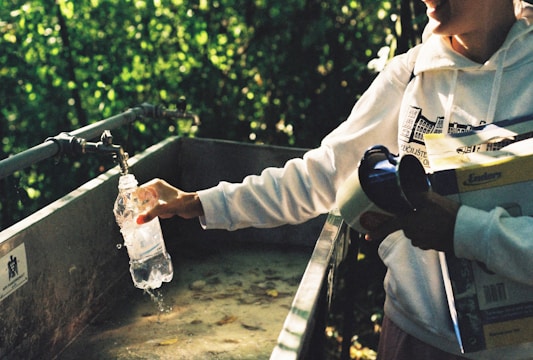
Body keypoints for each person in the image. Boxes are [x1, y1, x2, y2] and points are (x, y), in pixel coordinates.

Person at [137, 1, 533, 359]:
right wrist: (198, 203)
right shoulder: (412, 74)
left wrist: (463, 230)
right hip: (411, 336)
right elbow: (324, 174)